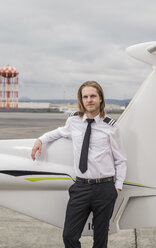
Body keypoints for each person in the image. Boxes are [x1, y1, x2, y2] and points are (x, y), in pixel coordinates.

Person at [31, 81, 127, 248]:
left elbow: (120, 160)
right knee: (69, 235)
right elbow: (59, 132)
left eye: (93, 96)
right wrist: (41, 139)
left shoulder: (111, 127)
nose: (89, 100)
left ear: (100, 99)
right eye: (85, 97)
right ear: (81, 100)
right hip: (80, 188)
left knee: (100, 240)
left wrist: (117, 187)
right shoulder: (74, 121)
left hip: (104, 189)